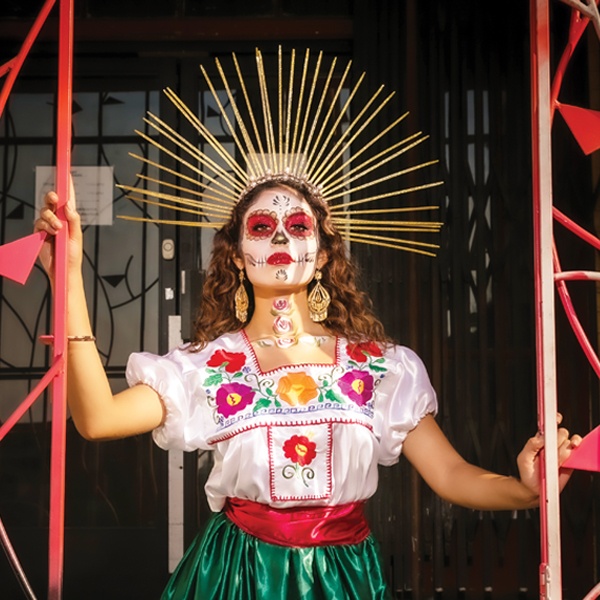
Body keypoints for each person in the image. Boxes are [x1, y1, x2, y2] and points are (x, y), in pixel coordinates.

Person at [35, 176, 580, 600]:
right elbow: (98, 418)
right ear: (237, 256)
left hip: (343, 577)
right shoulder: (207, 367)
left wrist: (526, 489)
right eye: (260, 227)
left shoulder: (380, 369)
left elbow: (452, 475)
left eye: (297, 226)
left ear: (322, 255)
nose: (278, 236)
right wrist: (69, 280)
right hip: (237, 576)